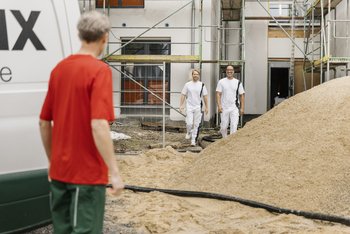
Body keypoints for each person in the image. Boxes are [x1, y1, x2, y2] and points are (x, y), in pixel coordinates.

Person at [39, 11, 124, 234]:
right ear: (105, 37)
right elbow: (98, 124)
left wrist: (52, 161)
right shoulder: (99, 71)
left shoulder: (59, 69)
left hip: (59, 172)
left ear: (80, 34)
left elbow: (44, 122)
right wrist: (114, 172)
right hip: (86, 176)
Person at [179, 69, 208, 146]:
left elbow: (205, 96)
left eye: (197, 74)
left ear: (199, 75)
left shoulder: (202, 85)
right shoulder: (187, 84)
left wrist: (206, 107)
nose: (195, 75)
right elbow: (183, 94)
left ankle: (193, 140)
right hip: (189, 106)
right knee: (189, 123)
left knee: (196, 124)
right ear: (192, 75)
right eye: (194, 74)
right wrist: (181, 105)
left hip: (198, 106)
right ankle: (188, 131)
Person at [216, 65, 245, 138]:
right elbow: (218, 94)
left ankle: (231, 142)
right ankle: (225, 139)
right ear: (226, 71)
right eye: (228, 70)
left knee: (234, 126)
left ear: (233, 71)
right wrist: (219, 106)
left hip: (234, 108)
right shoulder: (221, 82)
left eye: (231, 70)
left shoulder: (238, 82)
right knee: (223, 127)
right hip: (224, 107)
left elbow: (241, 95)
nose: (229, 71)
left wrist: (242, 108)